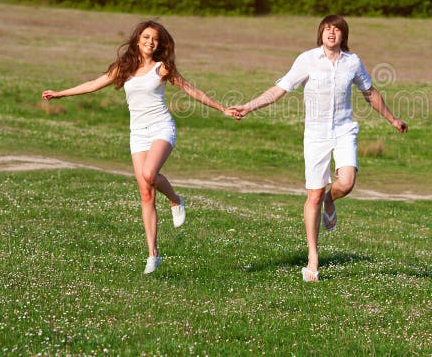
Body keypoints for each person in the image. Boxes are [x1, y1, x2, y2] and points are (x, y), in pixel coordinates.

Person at [42, 20, 238, 274]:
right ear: (137, 40)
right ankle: (152, 255)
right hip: (138, 134)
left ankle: (176, 200)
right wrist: (60, 93)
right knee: (146, 194)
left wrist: (222, 108)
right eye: (146, 37)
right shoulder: (124, 68)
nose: (150, 42)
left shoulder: (162, 68)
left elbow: (191, 90)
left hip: (161, 129)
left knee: (149, 173)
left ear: (159, 44)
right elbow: (93, 84)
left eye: (155, 39)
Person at [232, 15, 407, 282]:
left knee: (346, 183)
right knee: (312, 195)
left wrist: (393, 119)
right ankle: (313, 257)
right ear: (320, 34)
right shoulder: (307, 60)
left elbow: (369, 92)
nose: (331, 33)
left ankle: (330, 199)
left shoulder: (353, 62)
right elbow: (280, 89)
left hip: (343, 130)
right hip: (315, 135)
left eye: (337, 29)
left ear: (343, 36)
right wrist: (249, 106)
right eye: (327, 29)